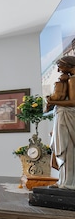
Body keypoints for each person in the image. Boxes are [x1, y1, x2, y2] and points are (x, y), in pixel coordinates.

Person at [46, 55, 75, 189]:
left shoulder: (73, 80)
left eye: (60, 66)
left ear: (68, 65)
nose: (58, 70)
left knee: (68, 148)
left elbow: (73, 102)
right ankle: (63, 181)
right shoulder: (69, 80)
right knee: (64, 148)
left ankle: (68, 183)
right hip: (62, 116)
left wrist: (52, 101)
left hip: (67, 117)